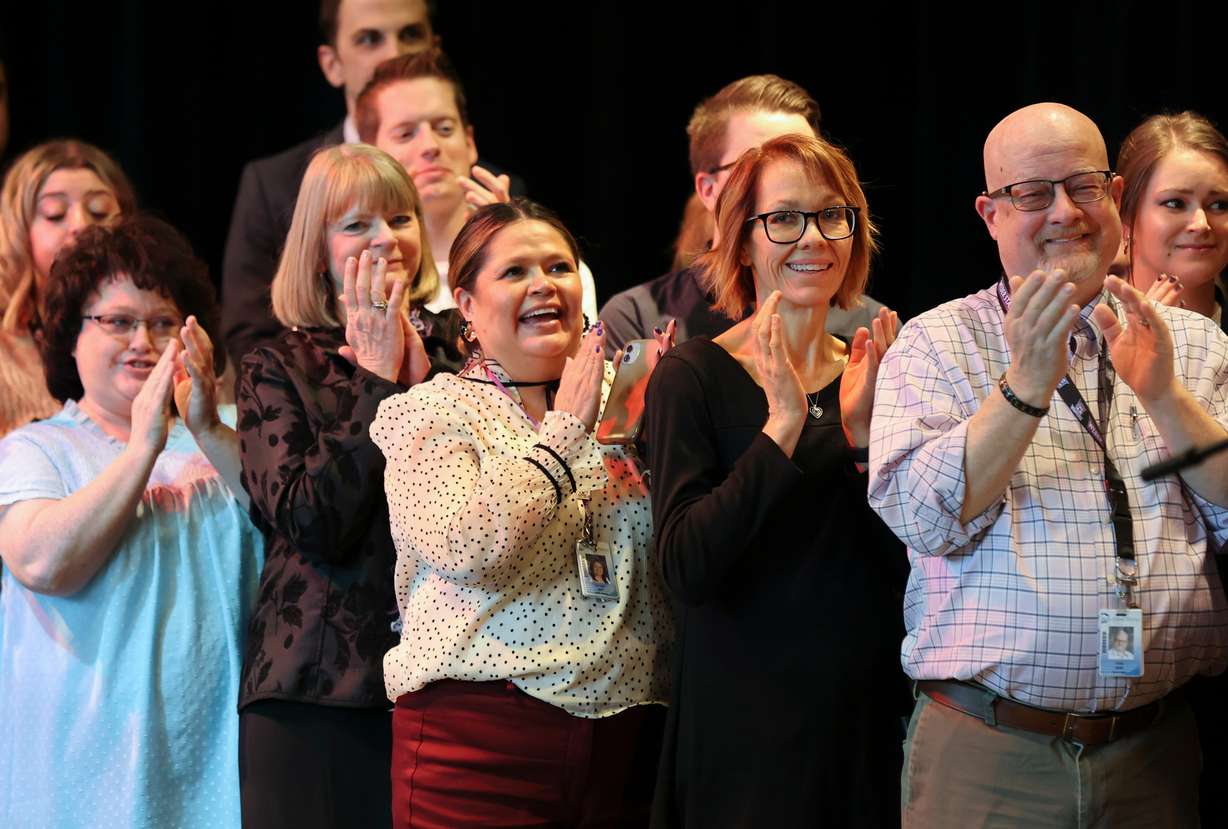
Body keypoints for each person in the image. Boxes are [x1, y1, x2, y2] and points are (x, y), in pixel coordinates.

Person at [869, 103, 1228, 827]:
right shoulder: (936, 344)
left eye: (1084, 186)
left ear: (1116, 195)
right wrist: (1025, 386)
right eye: (1032, 193)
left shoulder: (1193, 344)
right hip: (992, 751)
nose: (1065, 212)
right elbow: (922, 515)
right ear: (990, 213)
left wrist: (1162, 394)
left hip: (1152, 750)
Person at [370, 199, 672, 828]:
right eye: (513, 272)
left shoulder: (637, 402)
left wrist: (677, 416)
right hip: (479, 744)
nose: (543, 284)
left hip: (627, 742)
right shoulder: (431, 410)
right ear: (468, 307)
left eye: (559, 266)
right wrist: (563, 433)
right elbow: (466, 546)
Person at [643, 133, 907, 828]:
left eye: (832, 215)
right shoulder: (692, 376)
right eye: (784, 218)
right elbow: (685, 567)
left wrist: (864, 438)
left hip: (862, 720)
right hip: (743, 729)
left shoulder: (878, 371)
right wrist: (781, 427)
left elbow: (906, 566)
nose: (812, 237)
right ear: (742, 240)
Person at [0, 214, 262, 828]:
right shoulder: (37, 449)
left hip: (219, 771)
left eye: (163, 323)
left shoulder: (228, 431)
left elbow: (292, 526)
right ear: (70, 335)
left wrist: (204, 430)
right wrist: (145, 443)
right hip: (81, 777)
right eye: (118, 321)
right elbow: (43, 561)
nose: (143, 341)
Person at [235, 143, 456, 828]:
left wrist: (421, 378)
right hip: (316, 691)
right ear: (316, 248)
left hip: (449, 686)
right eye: (356, 224)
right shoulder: (276, 362)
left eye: (400, 217)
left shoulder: (460, 352)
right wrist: (379, 380)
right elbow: (313, 519)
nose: (385, 238)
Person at [600, 74, 885, 356]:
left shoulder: (869, 327)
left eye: (802, 158)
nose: (785, 174)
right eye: (755, 161)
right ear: (708, 189)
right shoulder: (637, 319)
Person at [221, 0, 436, 367]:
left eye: (411, 34)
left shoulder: (484, 184)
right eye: (370, 39)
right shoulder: (273, 183)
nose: (394, 55)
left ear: (435, 47)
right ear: (332, 64)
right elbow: (248, 335)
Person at [355, 48, 595, 319]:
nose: (431, 146)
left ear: (469, 142)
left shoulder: (556, 271)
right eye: (406, 134)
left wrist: (512, 248)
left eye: (444, 128)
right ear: (370, 153)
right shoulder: (364, 281)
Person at [0, 140, 135, 436]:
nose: (80, 225)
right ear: (17, 234)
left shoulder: (163, 327)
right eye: (55, 213)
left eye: (99, 212)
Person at [1117, 111, 1228, 333]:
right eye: (1175, 203)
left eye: (1219, 205)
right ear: (1125, 213)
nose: (1201, 223)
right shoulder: (1082, 339)